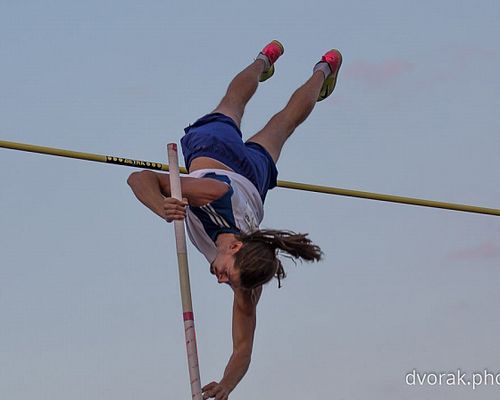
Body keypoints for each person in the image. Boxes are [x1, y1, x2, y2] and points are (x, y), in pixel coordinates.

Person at [127, 40, 342, 400]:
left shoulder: (246, 285)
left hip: (252, 183)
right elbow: (140, 178)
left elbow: (243, 349)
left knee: (285, 123)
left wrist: (228, 384)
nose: (221, 278)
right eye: (229, 272)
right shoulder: (210, 195)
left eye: (228, 278)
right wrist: (159, 206)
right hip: (216, 156)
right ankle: (265, 61)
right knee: (233, 104)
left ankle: (324, 69)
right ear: (238, 246)